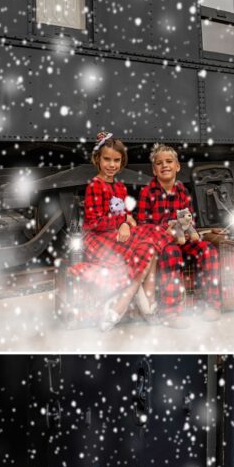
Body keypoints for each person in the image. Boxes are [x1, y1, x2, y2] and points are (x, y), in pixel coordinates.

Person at [81, 132, 173, 331]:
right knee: (148, 248)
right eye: (107, 159)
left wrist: (127, 219)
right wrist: (123, 221)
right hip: (99, 238)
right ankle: (144, 305)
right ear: (97, 159)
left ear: (122, 161)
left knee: (151, 238)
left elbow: (123, 212)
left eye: (117, 160)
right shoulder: (94, 186)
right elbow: (95, 221)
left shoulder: (121, 187)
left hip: (117, 233)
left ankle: (134, 299)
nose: (112, 165)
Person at [137, 144, 221, 326]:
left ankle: (210, 304)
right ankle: (170, 312)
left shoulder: (182, 190)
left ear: (177, 166)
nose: (164, 165)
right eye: (159, 163)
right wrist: (163, 232)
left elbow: (189, 219)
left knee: (208, 249)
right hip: (162, 244)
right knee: (171, 253)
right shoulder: (147, 192)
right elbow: (143, 227)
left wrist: (192, 231)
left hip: (182, 239)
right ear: (154, 169)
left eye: (169, 161)